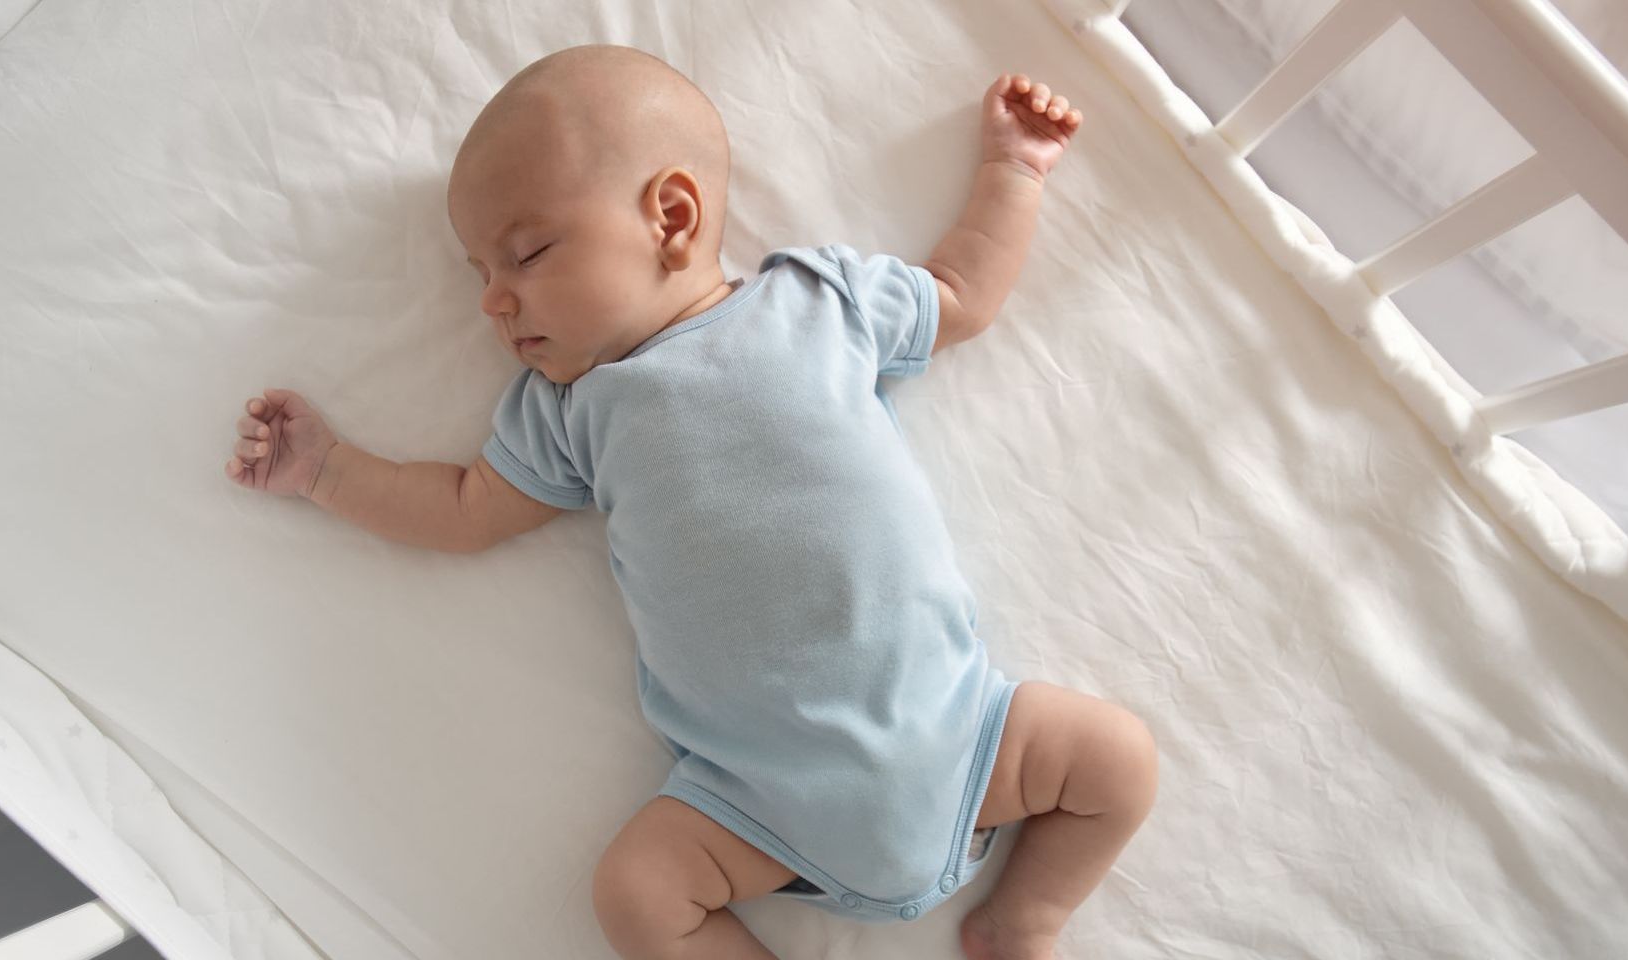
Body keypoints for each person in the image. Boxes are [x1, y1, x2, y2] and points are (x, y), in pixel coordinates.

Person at [224, 44, 1156, 960]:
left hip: (963, 737)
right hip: (759, 802)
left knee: (1117, 761)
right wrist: (327, 472)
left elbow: (961, 294)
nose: (494, 305)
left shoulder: (818, 302)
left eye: (527, 254)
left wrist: (1013, 168)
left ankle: (1024, 920)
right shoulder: (570, 413)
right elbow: (465, 509)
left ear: (672, 215)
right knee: (634, 893)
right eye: (481, 277)